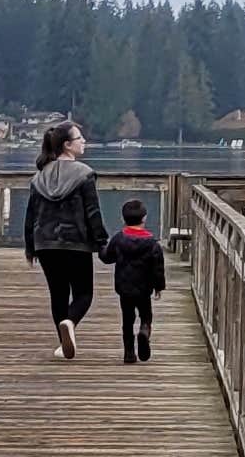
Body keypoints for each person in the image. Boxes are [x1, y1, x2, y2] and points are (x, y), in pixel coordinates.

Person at [22, 115, 107, 359]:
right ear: (67, 145)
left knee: (57, 294)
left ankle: (63, 344)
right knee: (83, 294)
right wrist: (101, 242)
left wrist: (30, 248)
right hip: (76, 243)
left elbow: (31, 215)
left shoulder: (39, 177)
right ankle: (69, 323)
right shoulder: (85, 174)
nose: (85, 142)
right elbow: (93, 212)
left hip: (45, 243)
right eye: (80, 138)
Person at [108, 193, 164, 363]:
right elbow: (158, 267)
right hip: (144, 288)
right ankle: (145, 331)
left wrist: (102, 246)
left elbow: (107, 257)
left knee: (127, 319)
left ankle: (129, 353)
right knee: (146, 315)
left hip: (124, 288)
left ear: (123, 218)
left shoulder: (119, 238)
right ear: (144, 218)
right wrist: (159, 286)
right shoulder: (152, 243)